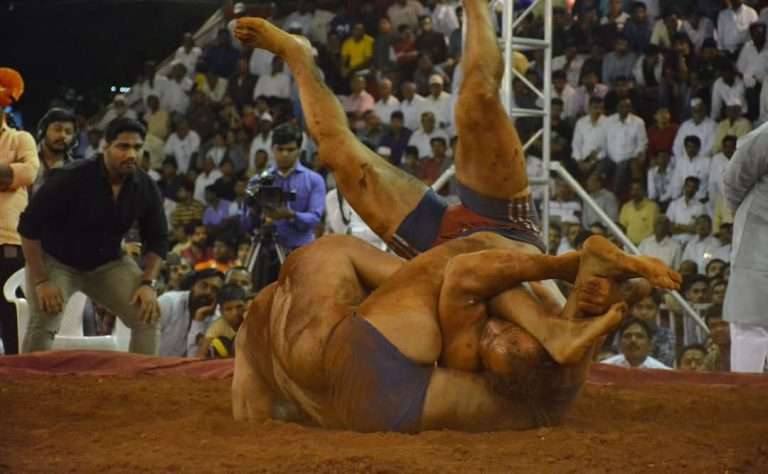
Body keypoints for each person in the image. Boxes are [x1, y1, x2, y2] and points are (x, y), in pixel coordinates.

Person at [232, 232, 678, 431]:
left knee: (534, 389)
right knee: (466, 266)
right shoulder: (324, 257)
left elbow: (250, 418)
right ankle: (570, 277)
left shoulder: (255, 334)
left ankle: (575, 287)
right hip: (366, 370)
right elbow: (439, 273)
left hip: (354, 391)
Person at [18, 118, 168, 354]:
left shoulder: (145, 186)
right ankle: (28, 387)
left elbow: (158, 238)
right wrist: (41, 281)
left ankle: (141, 386)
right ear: (105, 147)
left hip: (108, 263)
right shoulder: (70, 177)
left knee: (147, 314)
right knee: (45, 321)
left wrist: (148, 283)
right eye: (123, 147)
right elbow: (28, 227)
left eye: (137, 148)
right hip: (56, 261)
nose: (131, 154)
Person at [722, 120, 768, 373]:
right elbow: (733, 181)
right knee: (750, 322)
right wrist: (745, 218)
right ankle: (746, 397)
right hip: (759, 234)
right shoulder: (766, 135)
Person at [0, 68, 40, 354]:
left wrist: (11, 176)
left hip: (9, 241)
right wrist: (7, 177)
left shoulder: (20, 139)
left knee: (10, 318)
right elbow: (18, 174)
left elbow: (29, 173)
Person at [158, 268, 223, 357]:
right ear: (193, 285)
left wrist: (198, 321)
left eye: (214, 290)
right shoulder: (169, 302)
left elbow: (195, 361)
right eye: (203, 286)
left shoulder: (217, 319)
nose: (208, 292)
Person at [194, 283, 246, 358]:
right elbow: (201, 354)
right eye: (228, 309)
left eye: (239, 307)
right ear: (221, 311)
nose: (235, 313)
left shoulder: (250, 320)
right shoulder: (217, 327)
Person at [32, 108, 77, 194]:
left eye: (68, 132)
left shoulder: (74, 170)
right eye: (57, 129)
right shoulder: (27, 158)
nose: (63, 135)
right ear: (43, 131)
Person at [601, 318, 671, 369]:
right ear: (619, 344)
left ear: (650, 345)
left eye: (640, 336)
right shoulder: (604, 368)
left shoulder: (663, 372)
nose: (633, 340)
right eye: (627, 336)